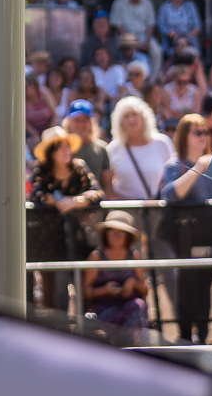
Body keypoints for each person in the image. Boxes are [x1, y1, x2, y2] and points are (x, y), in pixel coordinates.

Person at [157, 114, 212, 345]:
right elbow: (170, 194)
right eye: (197, 132)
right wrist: (198, 166)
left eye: (205, 132)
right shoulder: (175, 163)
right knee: (185, 288)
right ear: (183, 136)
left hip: (210, 234)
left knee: (206, 286)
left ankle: (204, 337)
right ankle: (186, 339)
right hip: (181, 238)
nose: (203, 137)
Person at [29, 132, 101, 312]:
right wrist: (53, 200)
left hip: (77, 236)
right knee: (51, 287)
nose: (65, 151)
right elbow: (36, 195)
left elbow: (96, 192)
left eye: (66, 146)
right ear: (51, 152)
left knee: (81, 280)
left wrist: (75, 201)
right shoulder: (40, 170)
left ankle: (85, 327)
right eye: (59, 147)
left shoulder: (79, 168)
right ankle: (55, 331)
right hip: (48, 238)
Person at [82, 211, 150, 344]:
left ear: (128, 236)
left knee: (138, 306)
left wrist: (133, 283)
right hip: (105, 309)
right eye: (112, 232)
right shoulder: (96, 257)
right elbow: (84, 292)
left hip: (129, 307)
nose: (116, 237)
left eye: (121, 233)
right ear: (105, 234)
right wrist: (105, 290)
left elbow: (145, 290)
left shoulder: (134, 256)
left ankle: (138, 349)